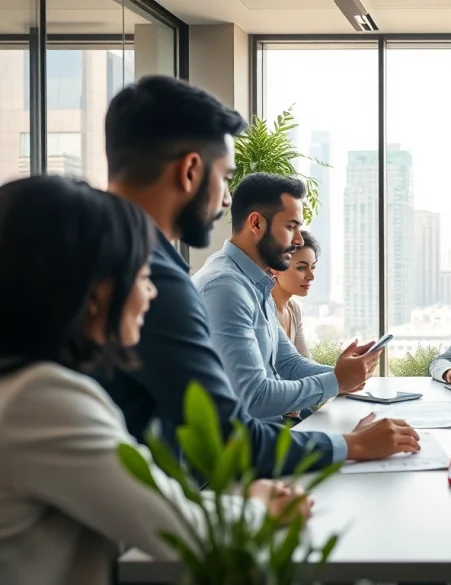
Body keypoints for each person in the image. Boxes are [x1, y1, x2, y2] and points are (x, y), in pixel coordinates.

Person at [95, 75, 419, 479]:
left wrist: (339, 377)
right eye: (226, 177)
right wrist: (349, 442)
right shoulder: (177, 282)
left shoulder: (113, 259)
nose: (227, 197)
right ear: (191, 170)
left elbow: (280, 363)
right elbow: (235, 424)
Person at [0, 176, 309, 585]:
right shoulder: (42, 401)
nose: (152, 293)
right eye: (142, 274)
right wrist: (261, 507)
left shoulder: (30, 386)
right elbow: (187, 533)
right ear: (93, 293)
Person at [193, 173, 364, 421]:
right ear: (256, 224)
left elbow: (289, 363)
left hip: (266, 436)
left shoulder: (256, 283)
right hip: (242, 451)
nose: (298, 240)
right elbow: (255, 398)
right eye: (291, 227)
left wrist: (350, 376)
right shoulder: (226, 288)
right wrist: (336, 381)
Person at [271, 229, 319, 358]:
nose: (311, 276)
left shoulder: (294, 310)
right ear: (275, 268)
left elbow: (305, 361)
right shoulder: (260, 310)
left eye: (312, 267)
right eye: (301, 268)